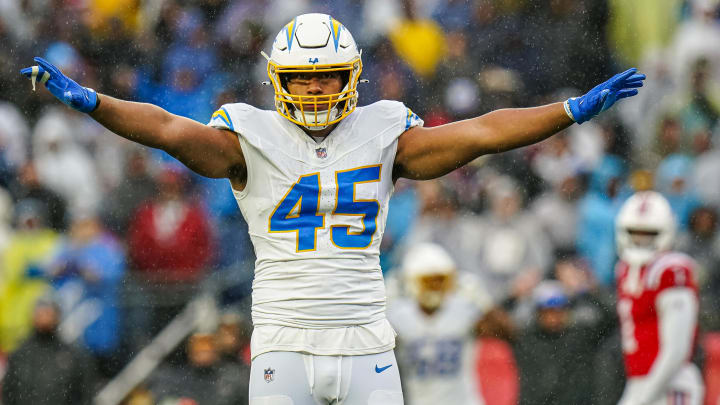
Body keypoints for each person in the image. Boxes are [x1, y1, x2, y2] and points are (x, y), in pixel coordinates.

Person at [20, 12, 645, 404]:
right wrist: (94, 102)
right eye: (302, 78)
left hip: (366, 344)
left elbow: (482, 132)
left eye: (326, 77)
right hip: (283, 347)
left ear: (351, 77)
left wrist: (565, 111)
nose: (316, 89)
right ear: (278, 81)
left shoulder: (383, 134)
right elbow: (166, 128)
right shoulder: (250, 139)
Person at [614, 191, 704, 405]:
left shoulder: (670, 270)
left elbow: (676, 350)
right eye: (635, 233)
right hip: (640, 381)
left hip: (672, 384)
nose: (640, 241)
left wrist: (644, 397)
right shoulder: (625, 269)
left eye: (648, 234)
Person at [386, 242, 496, 405]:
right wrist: (382, 306)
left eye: (439, 281)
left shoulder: (462, 308)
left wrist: (487, 307)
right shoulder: (399, 314)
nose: (435, 288)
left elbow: (508, 333)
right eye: (428, 281)